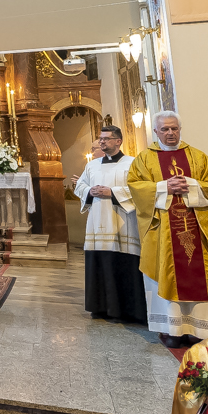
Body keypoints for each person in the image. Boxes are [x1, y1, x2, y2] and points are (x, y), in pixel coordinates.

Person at [128, 111, 208, 348]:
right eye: (165, 129)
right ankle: (171, 329)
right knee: (166, 274)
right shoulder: (144, 159)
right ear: (156, 131)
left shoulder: (197, 156)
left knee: (200, 273)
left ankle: (199, 329)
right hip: (163, 232)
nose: (170, 133)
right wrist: (164, 187)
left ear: (180, 130)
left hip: (196, 229)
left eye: (174, 128)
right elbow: (135, 187)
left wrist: (191, 185)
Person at [75, 125, 145, 324]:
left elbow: (140, 189)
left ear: (118, 141)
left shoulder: (132, 163)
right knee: (99, 263)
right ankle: (100, 308)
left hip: (123, 222)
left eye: (106, 138)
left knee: (122, 263)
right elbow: (80, 185)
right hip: (97, 222)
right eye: (101, 138)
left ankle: (127, 311)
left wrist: (112, 192)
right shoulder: (92, 165)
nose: (102, 142)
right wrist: (89, 191)